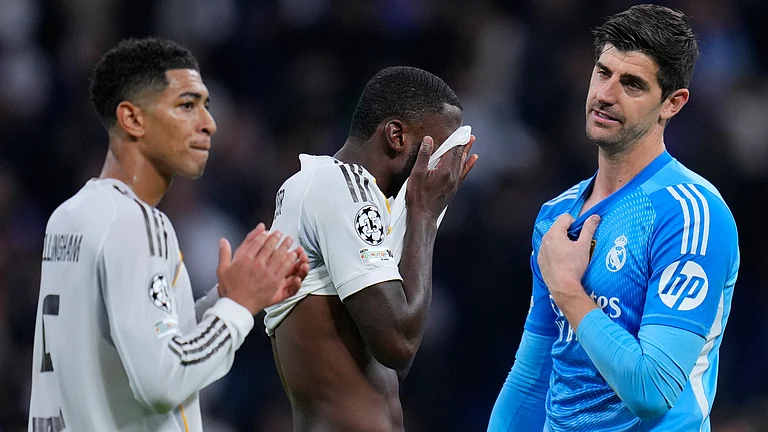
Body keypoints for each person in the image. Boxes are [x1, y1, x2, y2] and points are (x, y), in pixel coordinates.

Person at [28, 37, 309, 432]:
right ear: (133, 119)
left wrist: (223, 299)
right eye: (187, 106)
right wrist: (239, 307)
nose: (209, 123)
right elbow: (162, 380)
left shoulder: (70, 215)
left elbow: (130, 341)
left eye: (206, 106)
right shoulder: (140, 222)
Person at [488, 4, 739, 432]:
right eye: (603, 73)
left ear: (672, 104)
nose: (606, 94)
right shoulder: (556, 216)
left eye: (632, 84)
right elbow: (531, 379)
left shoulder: (691, 214)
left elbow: (652, 390)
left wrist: (567, 287)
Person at [265, 66, 478, 431]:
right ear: (396, 136)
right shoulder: (335, 184)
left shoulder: (365, 202)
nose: (444, 169)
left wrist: (422, 214)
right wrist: (424, 216)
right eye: (440, 151)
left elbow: (395, 363)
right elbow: (398, 343)